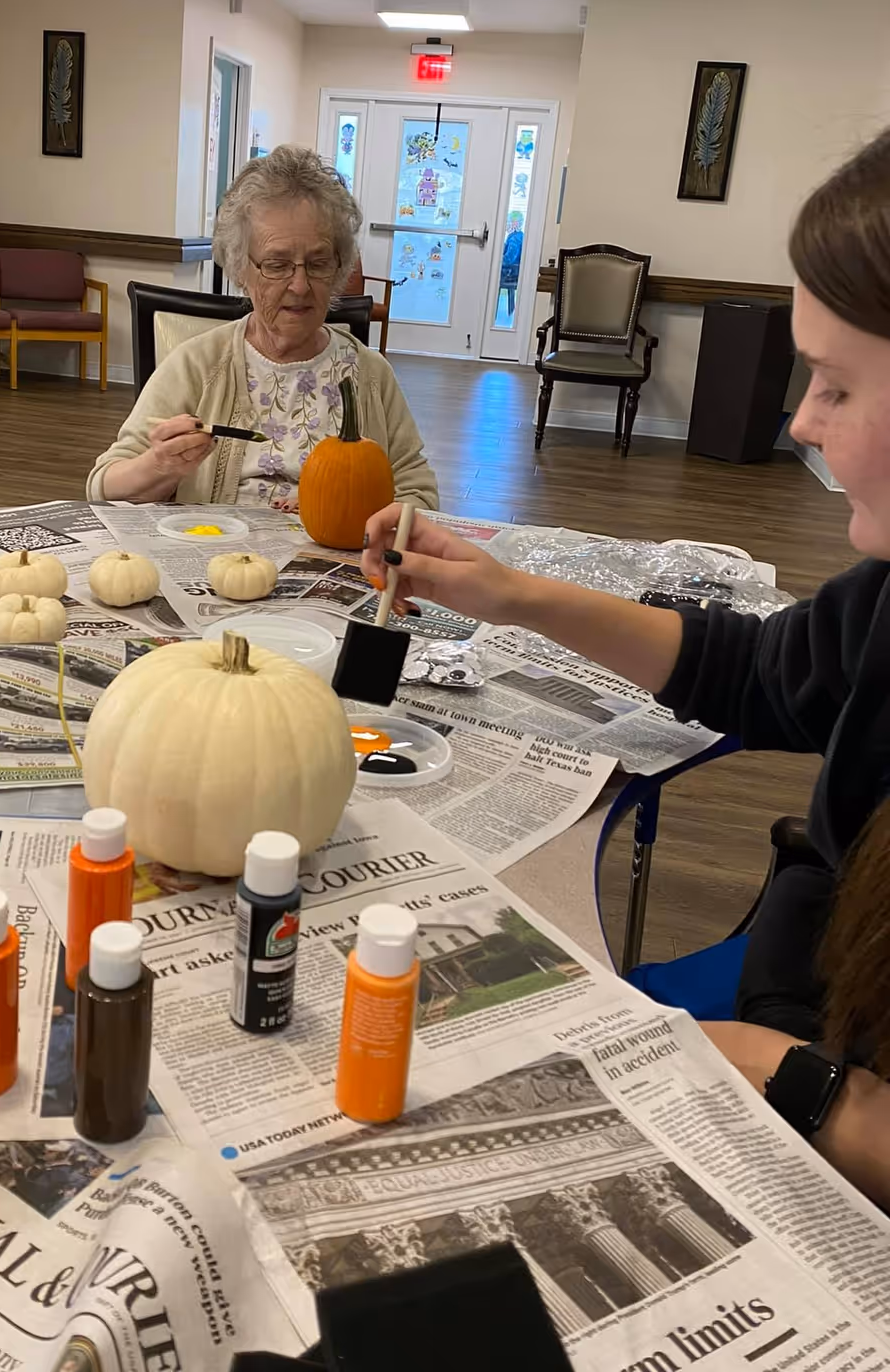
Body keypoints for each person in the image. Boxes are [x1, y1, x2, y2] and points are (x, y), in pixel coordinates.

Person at [362, 126, 890, 1206]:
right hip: (795, 1014)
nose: (801, 420)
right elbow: (756, 672)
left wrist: (782, 1079)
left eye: (836, 385)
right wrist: (499, 590)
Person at [87, 145, 438, 510]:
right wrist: (159, 466)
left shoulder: (370, 375)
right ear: (241, 269)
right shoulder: (198, 364)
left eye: (318, 263)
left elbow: (419, 493)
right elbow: (103, 486)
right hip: (216, 554)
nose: (299, 285)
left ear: (339, 268)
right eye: (276, 264)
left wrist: (349, 506)